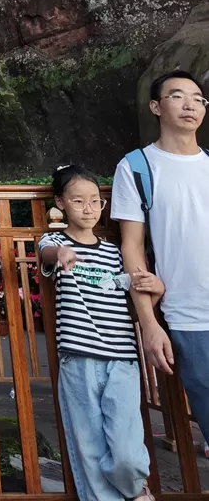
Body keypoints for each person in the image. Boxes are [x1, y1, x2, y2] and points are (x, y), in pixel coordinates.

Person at [39, 164, 161, 501]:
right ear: (60, 203)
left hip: (122, 359)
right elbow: (46, 253)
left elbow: (134, 302)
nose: (88, 208)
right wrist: (60, 254)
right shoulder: (55, 241)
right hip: (78, 359)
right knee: (89, 449)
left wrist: (158, 289)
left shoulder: (114, 253)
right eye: (78, 201)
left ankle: (136, 489)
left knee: (126, 450)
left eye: (95, 200)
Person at [111, 71, 209, 445]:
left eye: (198, 99)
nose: (190, 105)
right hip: (190, 315)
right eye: (177, 96)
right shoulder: (137, 167)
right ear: (156, 106)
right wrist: (149, 323)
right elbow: (132, 247)